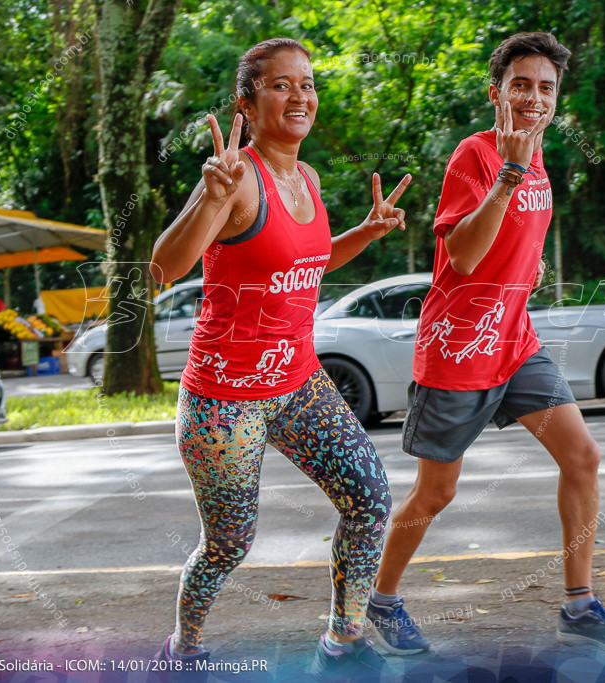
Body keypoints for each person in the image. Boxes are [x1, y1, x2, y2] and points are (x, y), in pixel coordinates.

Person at [365, 32, 605, 654]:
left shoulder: (541, 157)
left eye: (546, 87)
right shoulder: (476, 155)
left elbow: (517, 233)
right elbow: (463, 255)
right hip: (459, 349)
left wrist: (532, 263)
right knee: (437, 491)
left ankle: (580, 604)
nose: (534, 98)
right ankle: (381, 599)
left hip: (516, 344)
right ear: (497, 92)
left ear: (557, 98)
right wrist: (509, 175)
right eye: (521, 84)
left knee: (583, 457)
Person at [149, 37, 412, 677]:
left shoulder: (309, 177)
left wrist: (367, 232)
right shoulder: (235, 180)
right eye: (280, 84)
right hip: (223, 402)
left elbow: (308, 264)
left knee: (369, 498)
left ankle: (343, 641)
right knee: (229, 544)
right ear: (246, 100)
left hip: (297, 382)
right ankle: (182, 647)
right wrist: (210, 197)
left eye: (308, 83)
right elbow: (163, 267)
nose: (300, 95)